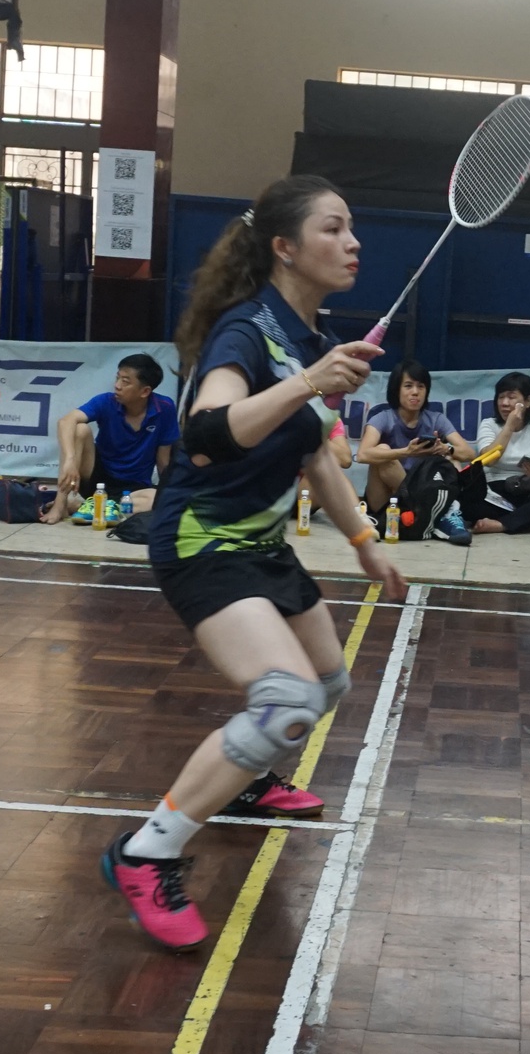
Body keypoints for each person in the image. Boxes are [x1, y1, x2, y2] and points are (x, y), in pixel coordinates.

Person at [115, 175, 404, 950]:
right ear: (284, 248)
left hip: (263, 541)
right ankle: (149, 849)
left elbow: (315, 459)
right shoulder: (246, 333)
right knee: (284, 702)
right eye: (334, 229)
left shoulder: (312, 341)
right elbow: (209, 430)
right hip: (204, 537)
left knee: (329, 683)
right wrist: (309, 383)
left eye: (353, 230)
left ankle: (247, 782)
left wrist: (366, 545)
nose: (353, 243)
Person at [359, 358, 475, 543]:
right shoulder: (383, 418)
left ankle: (437, 515)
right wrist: (406, 452)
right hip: (387, 498)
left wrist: (445, 448)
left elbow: (469, 453)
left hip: (422, 492)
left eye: (421, 386)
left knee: (452, 459)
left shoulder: (436, 419)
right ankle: (437, 516)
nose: (415, 392)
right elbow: (363, 454)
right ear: (396, 390)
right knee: (381, 450)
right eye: (408, 386)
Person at [51, 353, 177, 522]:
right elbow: (65, 422)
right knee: (79, 429)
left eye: (125, 382)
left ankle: (93, 507)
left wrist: (170, 497)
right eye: (117, 378)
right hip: (97, 480)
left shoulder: (165, 408)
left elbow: (164, 461)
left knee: (158, 498)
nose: (117, 386)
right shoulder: (106, 402)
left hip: (134, 489)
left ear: (145, 391)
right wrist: (70, 460)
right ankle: (60, 505)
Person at [464, 371, 530, 535]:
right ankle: (528, 523)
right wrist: (509, 427)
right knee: (466, 504)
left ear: (528, 401)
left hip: (525, 489)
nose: (504, 403)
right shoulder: (488, 425)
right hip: (492, 491)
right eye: (500, 397)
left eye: (511, 397)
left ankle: (500, 525)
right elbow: (488, 460)